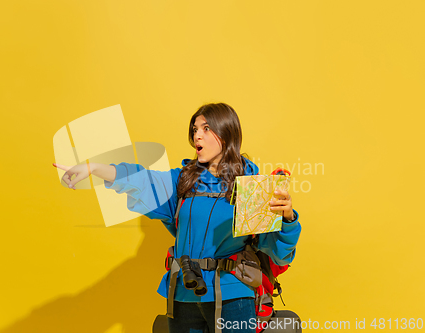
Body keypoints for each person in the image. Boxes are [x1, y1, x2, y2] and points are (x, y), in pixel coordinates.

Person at [54, 103, 301, 333]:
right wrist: (94, 168)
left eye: (206, 129)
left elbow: (277, 251)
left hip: (233, 297)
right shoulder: (183, 180)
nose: (197, 136)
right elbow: (141, 180)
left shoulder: (252, 186)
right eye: (195, 129)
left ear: (226, 134)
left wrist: (287, 217)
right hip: (184, 294)